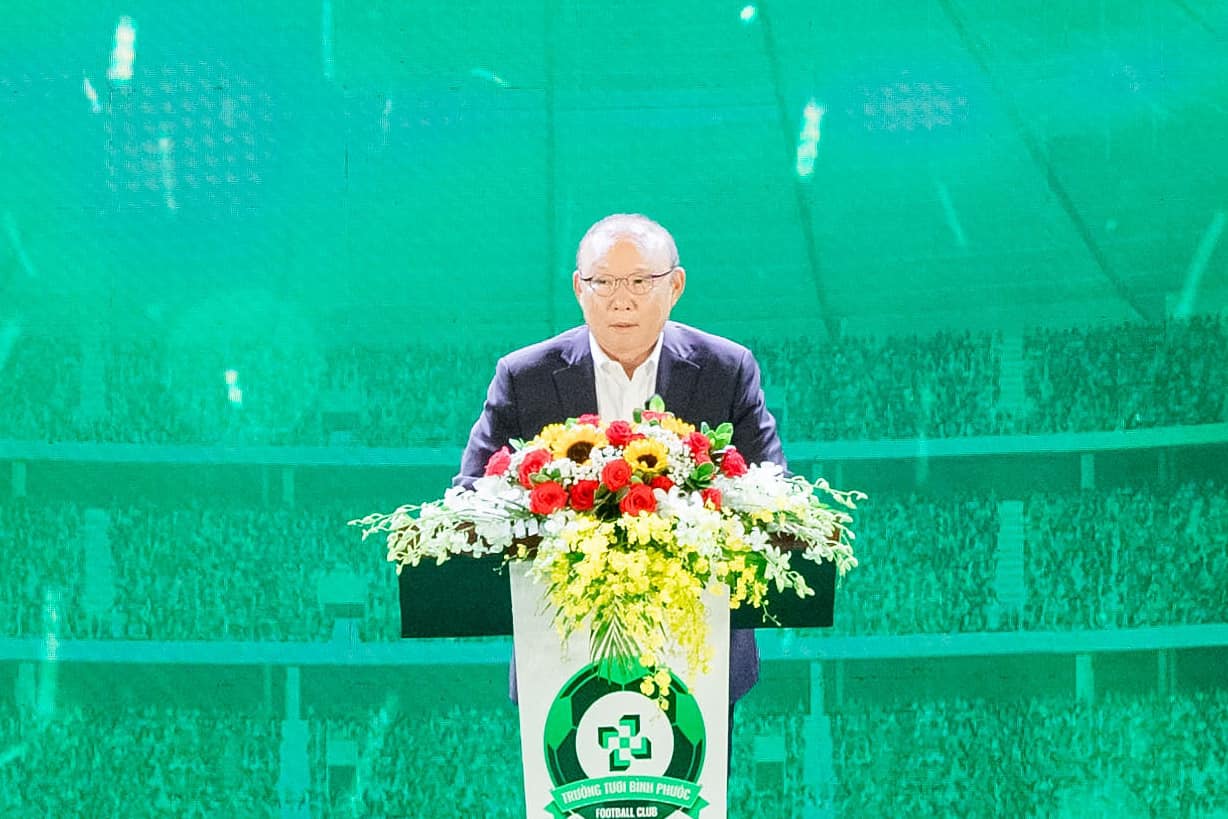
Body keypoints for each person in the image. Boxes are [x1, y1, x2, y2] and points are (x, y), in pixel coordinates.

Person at [455, 212, 787, 749]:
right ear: (578, 288)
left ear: (675, 286)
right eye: (603, 282)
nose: (621, 301)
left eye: (639, 281)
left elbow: (772, 491)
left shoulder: (726, 369)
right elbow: (469, 495)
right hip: (558, 649)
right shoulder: (524, 376)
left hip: (697, 649)